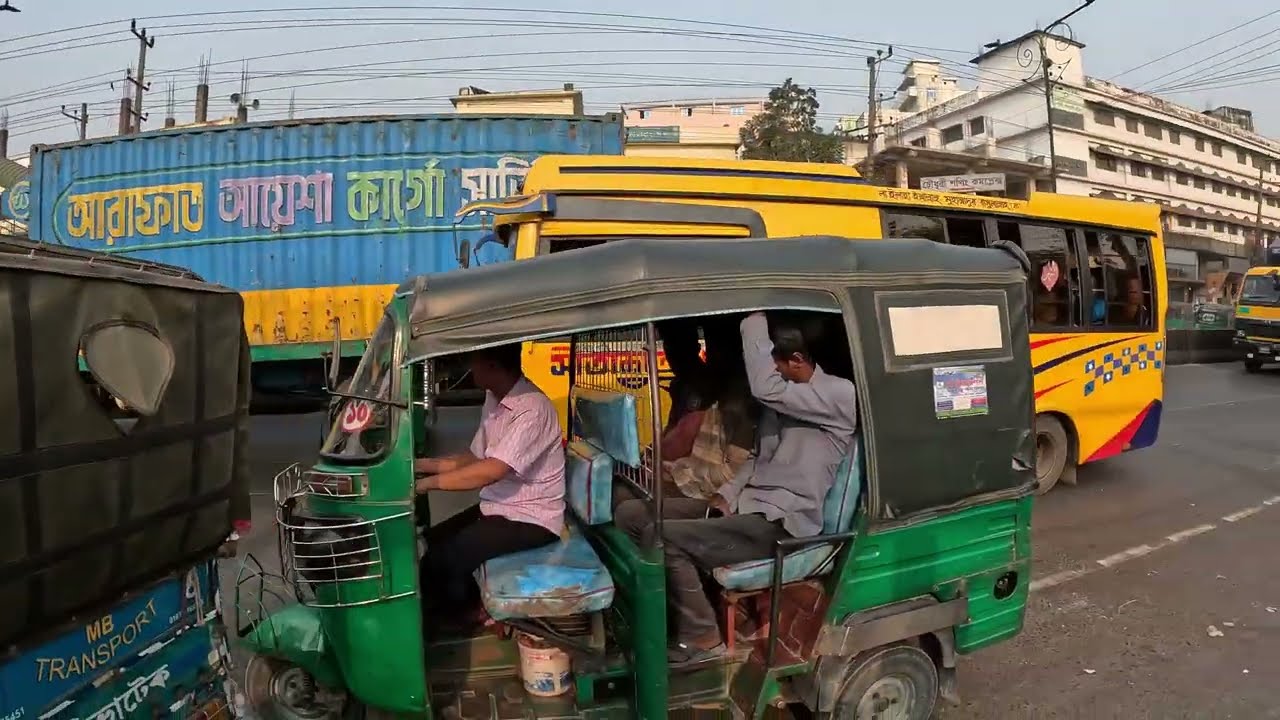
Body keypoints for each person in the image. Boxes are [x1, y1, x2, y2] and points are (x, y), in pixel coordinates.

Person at [617, 311, 858, 664]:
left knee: (661, 535)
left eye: (772, 362)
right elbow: (756, 459)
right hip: (746, 505)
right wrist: (725, 495)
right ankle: (663, 608)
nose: (767, 371)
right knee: (631, 514)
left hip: (781, 523)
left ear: (797, 360)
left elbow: (764, 386)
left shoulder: (839, 394)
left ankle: (702, 636)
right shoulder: (786, 399)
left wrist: (754, 316)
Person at [414, 344, 566, 623]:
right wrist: (416, 467)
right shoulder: (494, 398)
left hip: (533, 519)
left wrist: (425, 485)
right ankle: (456, 612)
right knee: (429, 543)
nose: (470, 369)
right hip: (501, 508)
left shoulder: (532, 409)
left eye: (475, 362)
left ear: (493, 367)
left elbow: (491, 470)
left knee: (445, 559)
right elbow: (473, 459)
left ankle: (469, 618)